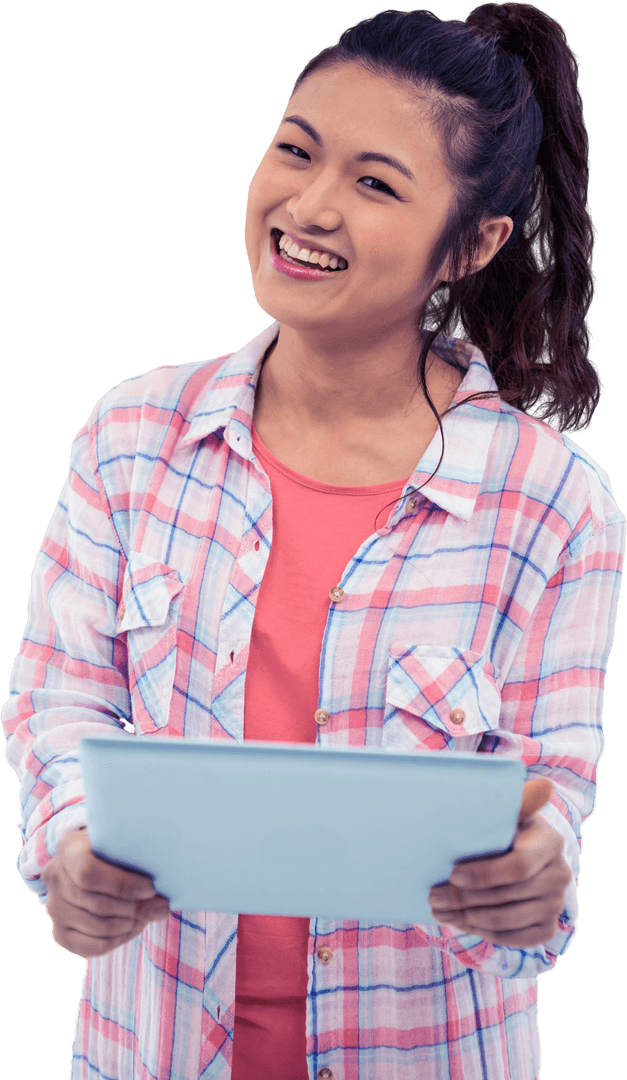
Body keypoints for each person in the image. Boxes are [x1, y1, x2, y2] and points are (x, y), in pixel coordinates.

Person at [2, 3, 624, 1078]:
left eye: (376, 183)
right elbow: (58, 698)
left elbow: (554, 791)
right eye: (295, 150)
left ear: (470, 245)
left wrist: (540, 872)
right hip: (145, 1051)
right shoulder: (131, 436)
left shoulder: (552, 503)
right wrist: (67, 845)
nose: (308, 205)